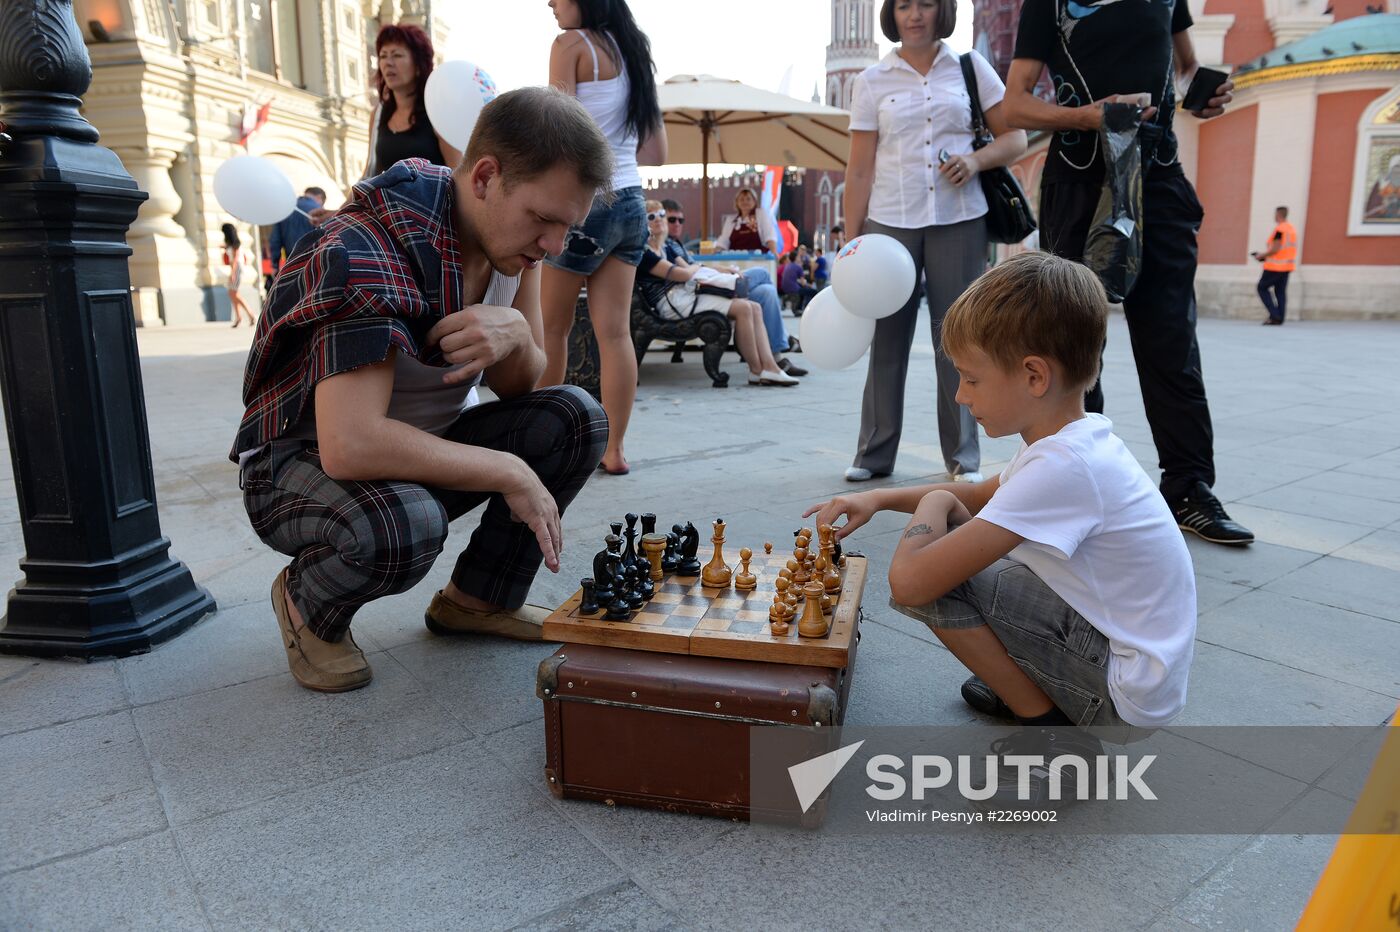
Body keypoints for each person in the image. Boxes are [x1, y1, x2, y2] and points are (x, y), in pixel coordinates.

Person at [230, 88, 612, 693]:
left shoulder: (516, 249)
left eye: (567, 225)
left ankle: (478, 600)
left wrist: (516, 336)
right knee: (403, 525)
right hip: (297, 463)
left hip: (413, 448)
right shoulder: (363, 248)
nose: (554, 245)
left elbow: (524, 387)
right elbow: (351, 446)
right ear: (484, 177)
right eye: (544, 219)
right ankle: (308, 603)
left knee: (576, 418)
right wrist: (508, 470)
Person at [806, 253, 1196, 804]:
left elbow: (912, 583)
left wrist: (935, 500)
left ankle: (1053, 733)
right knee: (975, 538)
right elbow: (982, 496)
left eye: (971, 378)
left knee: (943, 576)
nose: (961, 395)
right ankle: (1037, 684)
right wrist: (879, 498)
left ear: (1035, 376)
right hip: (1131, 663)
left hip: (1120, 695)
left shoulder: (1063, 468)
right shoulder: (1071, 439)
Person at [1003, 0, 1254, 546]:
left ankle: (1188, 489)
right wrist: (1087, 116)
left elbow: (1185, 68)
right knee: (1072, 344)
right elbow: (1013, 104)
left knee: (1172, 340)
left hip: (1157, 177)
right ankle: (1069, 485)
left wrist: (1202, 94)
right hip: (1079, 180)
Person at [843, 0, 1027, 485]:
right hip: (889, 224)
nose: (914, 14)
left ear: (941, 10)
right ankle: (873, 453)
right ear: (892, 13)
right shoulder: (871, 81)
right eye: (904, 4)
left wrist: (975, 161)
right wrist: (850, 243)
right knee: (887, 339)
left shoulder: (971, 67)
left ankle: (964, 459)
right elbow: (858, 169)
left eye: (925, 3)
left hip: (960, 219)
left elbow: (1016, 139)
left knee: (961, 339)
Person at [539, 0, 667, 477]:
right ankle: (614, 450)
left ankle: (541, 443)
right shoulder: (633, 53)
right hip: (632, 200)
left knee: (552, 328)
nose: (549, 3)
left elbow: (558, 135)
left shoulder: (570, 45)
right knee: (615, 333)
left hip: (588, 200)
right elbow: (657, 151)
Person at [639, 200, 798, 386]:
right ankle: (757, 369)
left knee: (754, 307)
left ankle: (769, 367)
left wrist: (696, 269)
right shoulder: (645, 253)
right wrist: (693, 269)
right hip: (673, 304)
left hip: (685, 297)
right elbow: (683, 274)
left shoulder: (666, 248)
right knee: (745, 307)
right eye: (651, 216)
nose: (658, 219)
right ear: (642, 223)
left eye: (661, 215)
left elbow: (690, 269)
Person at [365, 24, 461, 178]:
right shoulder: (378, 114)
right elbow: (369, 172)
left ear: (418, 65)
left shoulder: (438, 111)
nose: (388, 62)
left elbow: (458, 175)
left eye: (397, 55)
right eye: (383, 56)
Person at [1252, 206, 1296, 326]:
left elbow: (1275, 249)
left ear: (1278, 214)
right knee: (1280, 292)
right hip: (1287, 266)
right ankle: (1280, 317)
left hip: (1274, 267)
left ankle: (1275, 315)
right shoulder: (1291, 229)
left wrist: (1261, 255)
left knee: (1261, 287)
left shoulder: (1280, 230)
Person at [268, 187, 326, 271]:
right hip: (315, 264)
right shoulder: (320, 211)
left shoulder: (285, 210)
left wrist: (275, 265)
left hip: (291, 264)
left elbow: (275, 240)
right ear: (319, 198)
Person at [714, 187, 779, 255]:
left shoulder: (761, 215)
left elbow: (769, 236)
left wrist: (774, 252)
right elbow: (723, 241)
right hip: (734, 259)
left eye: (748, 199)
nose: (745, 202)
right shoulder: (731, 220)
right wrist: (715, 252)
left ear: (754, 202)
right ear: (737, 203)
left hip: (758, 258)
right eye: (741, 199)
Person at [221, 223, 256, 328]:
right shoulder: (232, 244)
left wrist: (232, 274)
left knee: (234, 293)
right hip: (235, 268)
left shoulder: (235, 244)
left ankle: (250, 315)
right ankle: (239, 317)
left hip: (237, 268)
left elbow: (235, 259)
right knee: (233, 293)